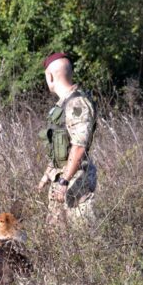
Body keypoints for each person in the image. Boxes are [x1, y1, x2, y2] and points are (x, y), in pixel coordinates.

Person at [36, 52, 97, 227]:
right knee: (56, 238)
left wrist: (64, 181)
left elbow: (79, 146)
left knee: (82, 238)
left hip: (76, 180)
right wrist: (47, 176)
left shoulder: (76, 103)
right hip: (62, 179)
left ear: (50, 76)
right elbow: (60, 146)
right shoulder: (62, 105)